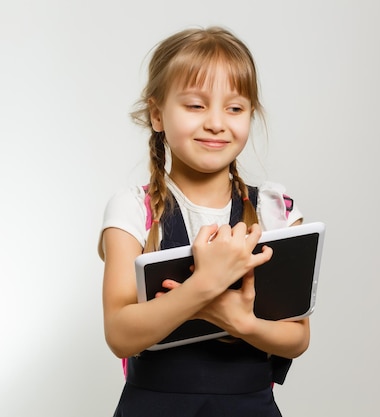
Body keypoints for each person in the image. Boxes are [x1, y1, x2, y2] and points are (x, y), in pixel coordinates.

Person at [98, 26, 308, 416]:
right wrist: (205, 284)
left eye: (234, 108)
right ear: (157, 114)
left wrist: (241, 322)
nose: (216, 123)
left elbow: (297, 338)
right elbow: (120, 335)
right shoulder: (132, 210)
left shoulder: (274, 209)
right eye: (195, 106)